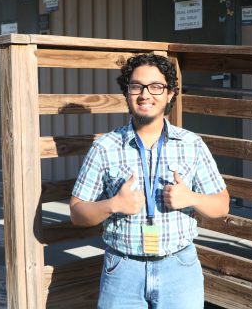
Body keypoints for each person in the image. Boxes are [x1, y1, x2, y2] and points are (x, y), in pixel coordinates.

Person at [70, 53, 229, 309]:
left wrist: (191, 198)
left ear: (170, 94)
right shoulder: (104, 147)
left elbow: (222, 205)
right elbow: (77, 213)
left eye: (156, 87)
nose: (145, 94)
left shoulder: (191, 144)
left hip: (179, 268)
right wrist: (113, 204)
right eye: (136, 86)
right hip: (122, 270)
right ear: (127, 92)